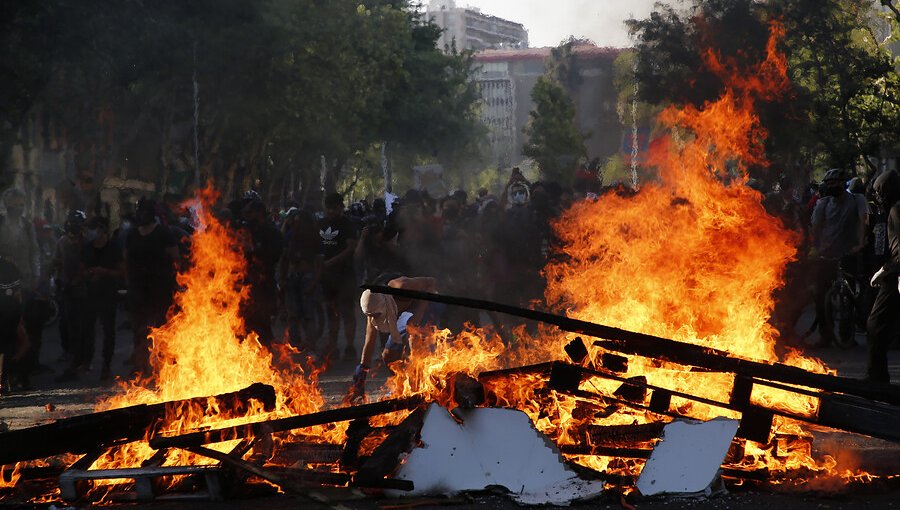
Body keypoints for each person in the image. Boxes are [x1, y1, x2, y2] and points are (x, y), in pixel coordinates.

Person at [350, 274, 437, 401]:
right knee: (388, 356)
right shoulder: (374, 309)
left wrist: (419, 313)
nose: (374, 319)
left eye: (377, 315)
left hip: (427, 306)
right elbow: (369, 343)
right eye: (371, 316)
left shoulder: (402, 286)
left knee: (415, 344)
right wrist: (360, 377)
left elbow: (431, 281)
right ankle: (401, 387)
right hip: (405, 315)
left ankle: (420, 389)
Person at [809, 168, 867, 347]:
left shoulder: (857, 200)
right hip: (826, 254)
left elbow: (863, 221)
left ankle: (847, 336)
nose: (831, 187)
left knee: (849, 297)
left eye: (835, 183)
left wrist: (861, 242)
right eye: (829, 184)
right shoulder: (823, 203)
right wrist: (814, 247)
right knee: (820, 294)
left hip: (849, 252)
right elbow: (815, 228)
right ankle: (825, 336)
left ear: (843, 183)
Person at [125, 198, 179, 375]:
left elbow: (174, 255)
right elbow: (127, 258)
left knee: (162, 327)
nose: (141, 215)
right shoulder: (132, 234)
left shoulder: (163, 233)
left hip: (160, 288)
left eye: (144, 211)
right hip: (138, 289)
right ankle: (140, 365)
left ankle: (165, 363)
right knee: (139, 329)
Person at [78, 216, 124, 381]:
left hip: (108, 294)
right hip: (90, 294)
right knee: (87, 329)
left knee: (108, 331)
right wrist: (89, 274)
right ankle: (86, 361)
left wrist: (104, 272)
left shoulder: (114, 248)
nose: (91, 232)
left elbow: (121, 271)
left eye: (95, 228)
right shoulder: (87, 248)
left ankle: (106, 365)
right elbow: (81, 270)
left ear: (103, 229)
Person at [866, 170, 900, 382]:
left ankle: (876, 378)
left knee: (875, 323)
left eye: (879, 193)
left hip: (896, 275)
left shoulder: (896, 211)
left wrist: (886, 270)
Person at [317, 193, 358, 362]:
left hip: (345, 276)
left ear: (341, 207)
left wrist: (331, 262)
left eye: (335, 207)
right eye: (329, 207)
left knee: (347, 313)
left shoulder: (347, 224)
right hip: (327, 278)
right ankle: (332, 346)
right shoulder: (321, 223)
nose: (332, 211)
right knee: (331, 313)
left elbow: (351, 248)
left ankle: (349, 347)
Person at [241, 199, 283, 346]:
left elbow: (275, 256)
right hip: (246, 286)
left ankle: (266, 360)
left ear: (258, 213)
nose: (247, 217)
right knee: (244, 323)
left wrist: (254, 251)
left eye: (250, 213)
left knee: (263, 323)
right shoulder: (248, 231)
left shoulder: (272, 232)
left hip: (264, 285)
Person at [279, 207, 321, 349]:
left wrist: (314, 282)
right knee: (292, 314)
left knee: (308, 315)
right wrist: (282, 278)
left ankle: (311, 345)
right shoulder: (291, 236)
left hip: (307, 277)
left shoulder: (314, 237)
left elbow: (319, 262)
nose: (295, 222)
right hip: (292, 278)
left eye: (298, 220)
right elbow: (284, 258)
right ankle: (295, 345)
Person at [0, 256, 28, 394]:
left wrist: (19, 317)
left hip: (8, 316)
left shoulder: (10, 268)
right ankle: (7, 380)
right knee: (7, 349)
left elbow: (17, 294)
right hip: (10, 315)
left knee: (8, 348)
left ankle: (6, 380)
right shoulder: (11, 267)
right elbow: (18, 295)